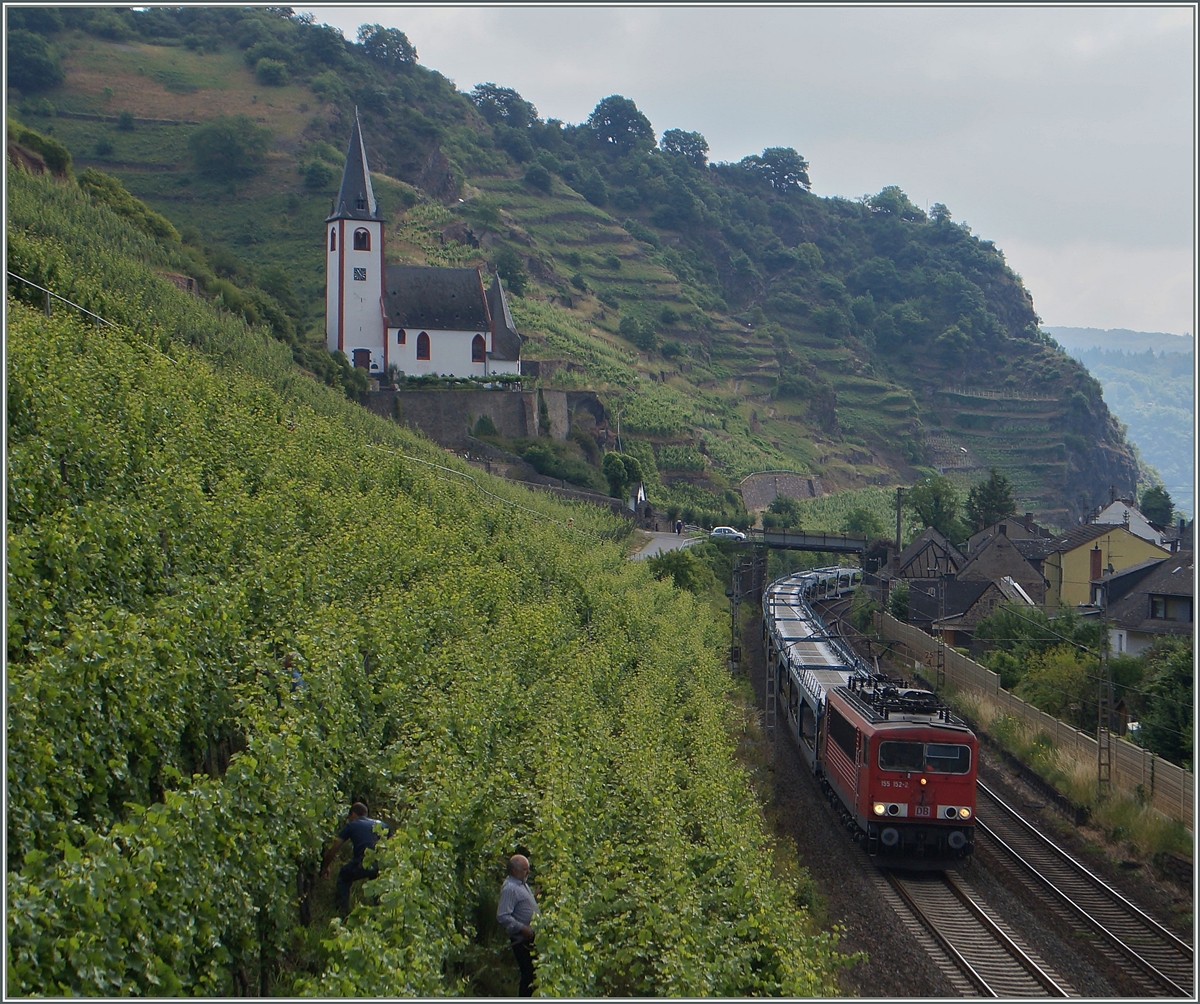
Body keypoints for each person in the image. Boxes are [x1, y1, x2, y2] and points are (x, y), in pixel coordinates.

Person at [321, 802, 384, 915]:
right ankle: (379, 914)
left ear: (353, 814)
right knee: (376, 883)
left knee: (344, 876)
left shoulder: (352, 825)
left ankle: (342, 913)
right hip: (380, 863)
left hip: (362, 862)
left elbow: (335, 848)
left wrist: (325, 867)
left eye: (349, 817)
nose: (349, 819)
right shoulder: (382, 824)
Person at [496, 854, 539, 997]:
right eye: (525, 869)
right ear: (514, 871)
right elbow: (503, 915)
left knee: (534, 974)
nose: (528, 872)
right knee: (528, 975)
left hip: (530, 938)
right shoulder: (510, 888)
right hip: (522, 940)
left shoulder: (521, 884)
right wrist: (522, 928)